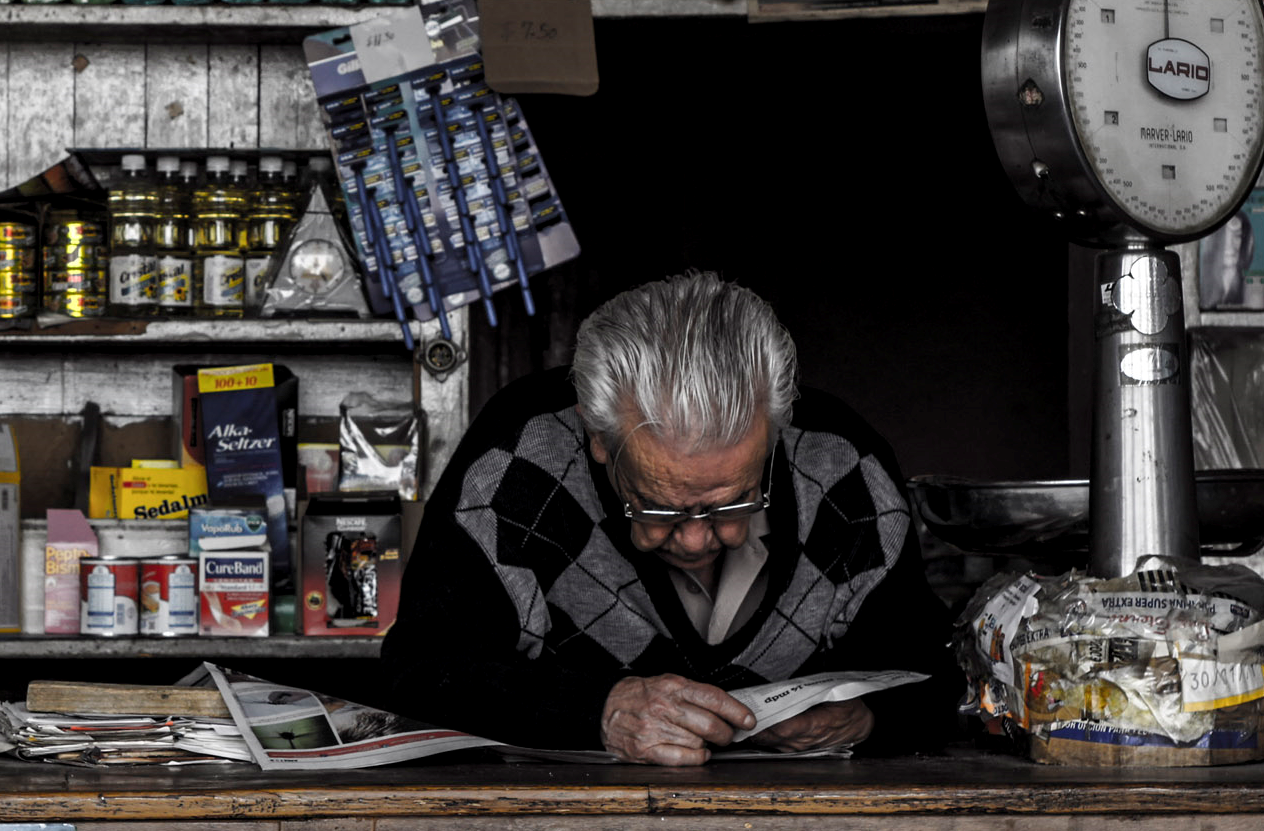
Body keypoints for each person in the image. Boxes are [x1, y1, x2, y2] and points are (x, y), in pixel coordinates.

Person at [380, 271, 963, 764]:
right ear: (598, 437)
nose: (695, 538)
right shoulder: (516, 466)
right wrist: (599, 711)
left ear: (773, 436)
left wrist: (866, 720)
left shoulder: (840, 467)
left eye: (733, 502)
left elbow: (940, 678)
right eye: (659, 506)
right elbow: (421, 675)